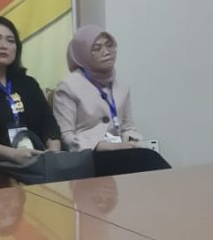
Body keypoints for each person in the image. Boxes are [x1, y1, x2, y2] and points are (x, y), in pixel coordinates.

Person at [51, 25, 171, 176]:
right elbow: (66, 136)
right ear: (82, 54)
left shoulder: (121, 85)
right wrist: (102, 146)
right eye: (97, 48)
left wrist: (131, 141)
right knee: (147, 159)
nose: (106, 52)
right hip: (87, 156)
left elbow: (127, 126)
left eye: (109, 46)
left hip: (119, 152)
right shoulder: (68, 87)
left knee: (149, 157)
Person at [0, 16, 62, 181]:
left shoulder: (28, 84)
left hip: (37, 164)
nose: (4, 45)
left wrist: (52, 154)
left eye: (10, 41)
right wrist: (13, 154)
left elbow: (49, 123)